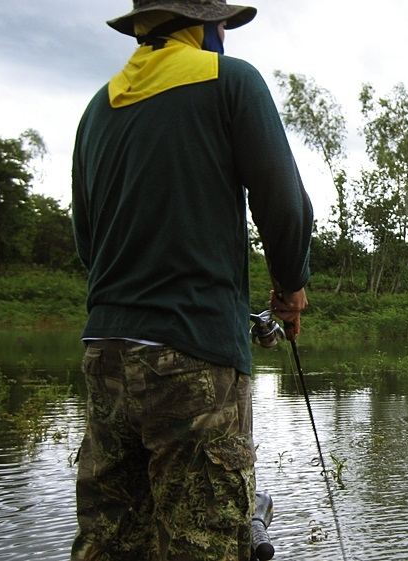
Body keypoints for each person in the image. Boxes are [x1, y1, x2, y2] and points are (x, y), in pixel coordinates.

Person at [70, 1, 312, 559]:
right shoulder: (232, 82)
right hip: (195, 356)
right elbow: (284, 203)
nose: (224, 30)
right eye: (221, 21)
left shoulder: (96, 109)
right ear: (200, 23)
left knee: (108, 544)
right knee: (202, 543)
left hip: (104, 355)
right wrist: (290, 286)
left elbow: (87, 240)